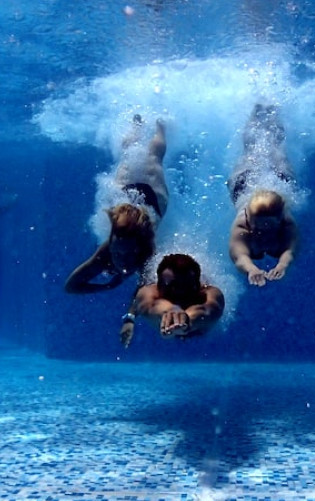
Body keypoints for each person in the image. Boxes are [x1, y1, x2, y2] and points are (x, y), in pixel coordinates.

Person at [65, 116, 169, 293]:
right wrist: (107, 286)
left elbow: (142, 293)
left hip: (152, 197)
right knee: (135, 155)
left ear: (139, 249)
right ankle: (138, 127)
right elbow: (71, 287)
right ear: (111, 245)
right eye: (118, 254)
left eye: (129, 254)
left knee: (151, 157)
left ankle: (161, 127)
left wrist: (130, 316)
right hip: (148, 197)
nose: (123, 260)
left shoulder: (147, 254)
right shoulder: (105, 252)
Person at [227, 104, 299, 287]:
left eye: (269, 227)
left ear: (280, 220)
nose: (264, 233)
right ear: (249, 219)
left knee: (276, 146)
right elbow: (239, 255)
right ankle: (256, 110)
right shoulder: (242, 224)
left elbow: (291, 249)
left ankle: (275, 111)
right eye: (260, 227)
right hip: (244, 182)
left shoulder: (287, 222)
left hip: (275, 179)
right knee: (251, 148)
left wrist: (283, 265)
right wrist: (251, 269)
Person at [120, 253, 225, 348]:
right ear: (158, 286)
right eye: (172, 287)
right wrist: (130, 319)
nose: (180, 293)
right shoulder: (148, 292)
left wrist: (188, 319)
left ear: (198, 286)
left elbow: (206, 310)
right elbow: (150, 304)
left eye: (186, 287)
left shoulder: (210, 293)